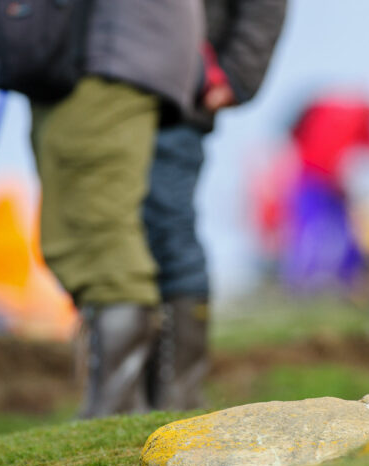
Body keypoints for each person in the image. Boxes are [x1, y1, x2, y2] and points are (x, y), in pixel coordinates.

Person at [29, 1, 204, 417]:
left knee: (99, 231)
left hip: (106, 53)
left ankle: (117, 406)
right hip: (101, 51)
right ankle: (120, 401)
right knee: (89, 229)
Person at [143, 0, 287, 410]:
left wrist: (234, 77)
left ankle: (178, 393)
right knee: (119, 242)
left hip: (179, 102)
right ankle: (132, 395)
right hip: (117, 97)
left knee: (170, 231)